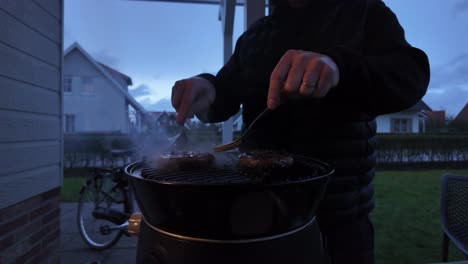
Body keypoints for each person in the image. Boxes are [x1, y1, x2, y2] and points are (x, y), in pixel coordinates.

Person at [171, 0, 430, 263]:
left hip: (339, 220)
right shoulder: (254, 35)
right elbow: (225, 92)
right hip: (256, 213)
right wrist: (208, 87)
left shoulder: (364, 11)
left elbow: (411, 75)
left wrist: (340, 67)